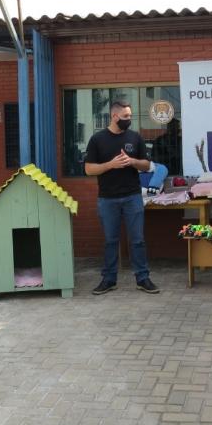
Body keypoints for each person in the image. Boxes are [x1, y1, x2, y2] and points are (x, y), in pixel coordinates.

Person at [85, 100, 159, 295]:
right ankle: (109, 280)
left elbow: (146, 165)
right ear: (114, 116)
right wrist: (111, 164)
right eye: (126, 117)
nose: (129, 120)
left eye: (130, 116)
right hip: (107, 198)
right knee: (110, 240)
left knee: (137, 240)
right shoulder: (97, 139)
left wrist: (132, 161)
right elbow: (89, 169)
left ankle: (143, 278)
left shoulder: (135, 138)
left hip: (132, 196)